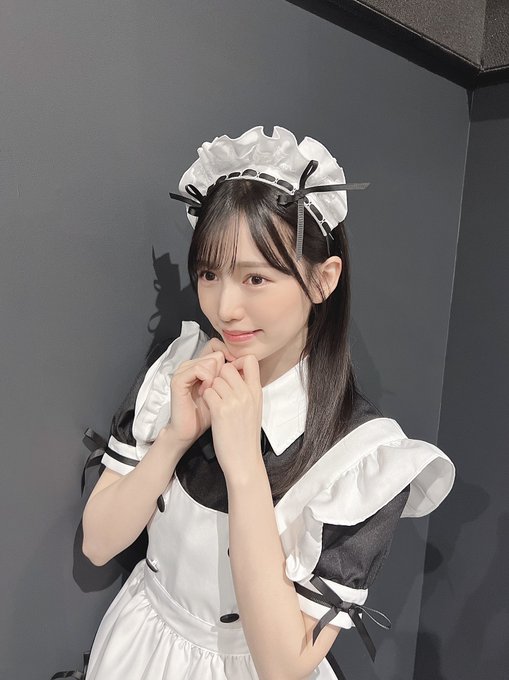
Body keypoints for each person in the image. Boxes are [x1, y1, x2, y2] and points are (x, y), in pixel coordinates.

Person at [80, 125, 455, 680]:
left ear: (323, 280)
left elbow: (283, 664)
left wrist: (244, 468)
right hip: (139, 646)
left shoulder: (360, 456)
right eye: (210, 274)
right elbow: (98, 544)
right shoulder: (180, 370)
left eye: (255, 278)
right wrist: (176, 438)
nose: (225, 307)